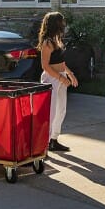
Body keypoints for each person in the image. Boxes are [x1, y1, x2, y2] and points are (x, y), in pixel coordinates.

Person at [38, 11, 77, 152]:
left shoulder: (57, 39)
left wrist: (70, 75)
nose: (64, 24)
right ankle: (43, 145)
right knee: (51, 112)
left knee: (61, 110)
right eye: (62, 21)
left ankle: (53, 140)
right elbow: (45, 66)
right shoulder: (47, 42)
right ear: (56, 23)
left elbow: (61, 62)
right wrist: (61, 78)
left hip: (60, 76)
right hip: (51, 78)